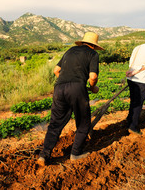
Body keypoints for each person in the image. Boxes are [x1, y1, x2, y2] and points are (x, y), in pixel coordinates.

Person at [37, 32, 103, 166]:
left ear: (83, 42)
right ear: (94, 46)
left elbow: (56, 70)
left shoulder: (70, 51)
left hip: (59, 87)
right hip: (77, 88)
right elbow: (93, 76)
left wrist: (65, 82)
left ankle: (44, 155)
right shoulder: (93, 54)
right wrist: (92, 87)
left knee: (55, 124)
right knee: (83, 123)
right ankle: (76, 153)